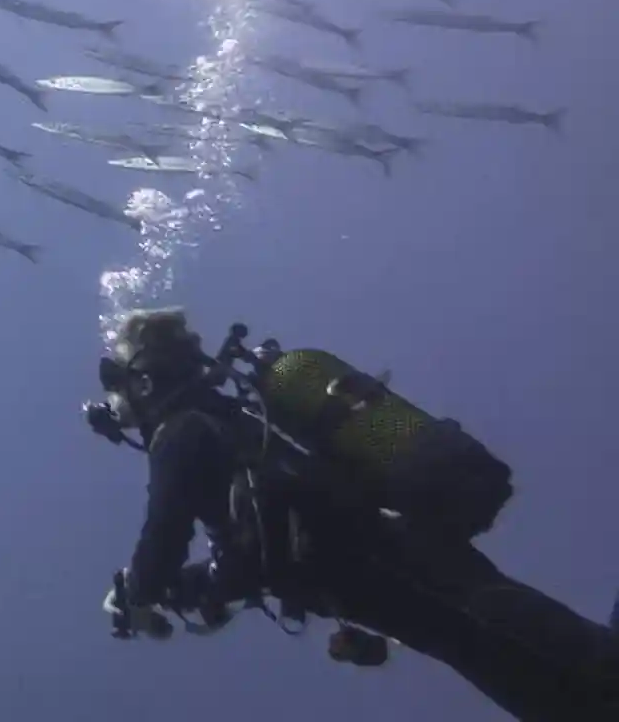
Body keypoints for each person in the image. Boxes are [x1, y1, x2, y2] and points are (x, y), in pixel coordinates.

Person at [89, 308, 619, 721]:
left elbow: (166, 535)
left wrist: (139, 589)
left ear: (143, 380)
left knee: (531, 658)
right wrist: (183, 590)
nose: (114, 405)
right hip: (393, 556)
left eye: (114, 386)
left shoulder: (181, 433)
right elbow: (247, 556)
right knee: (504, 651)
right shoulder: (228, 422)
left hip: (383, 564)